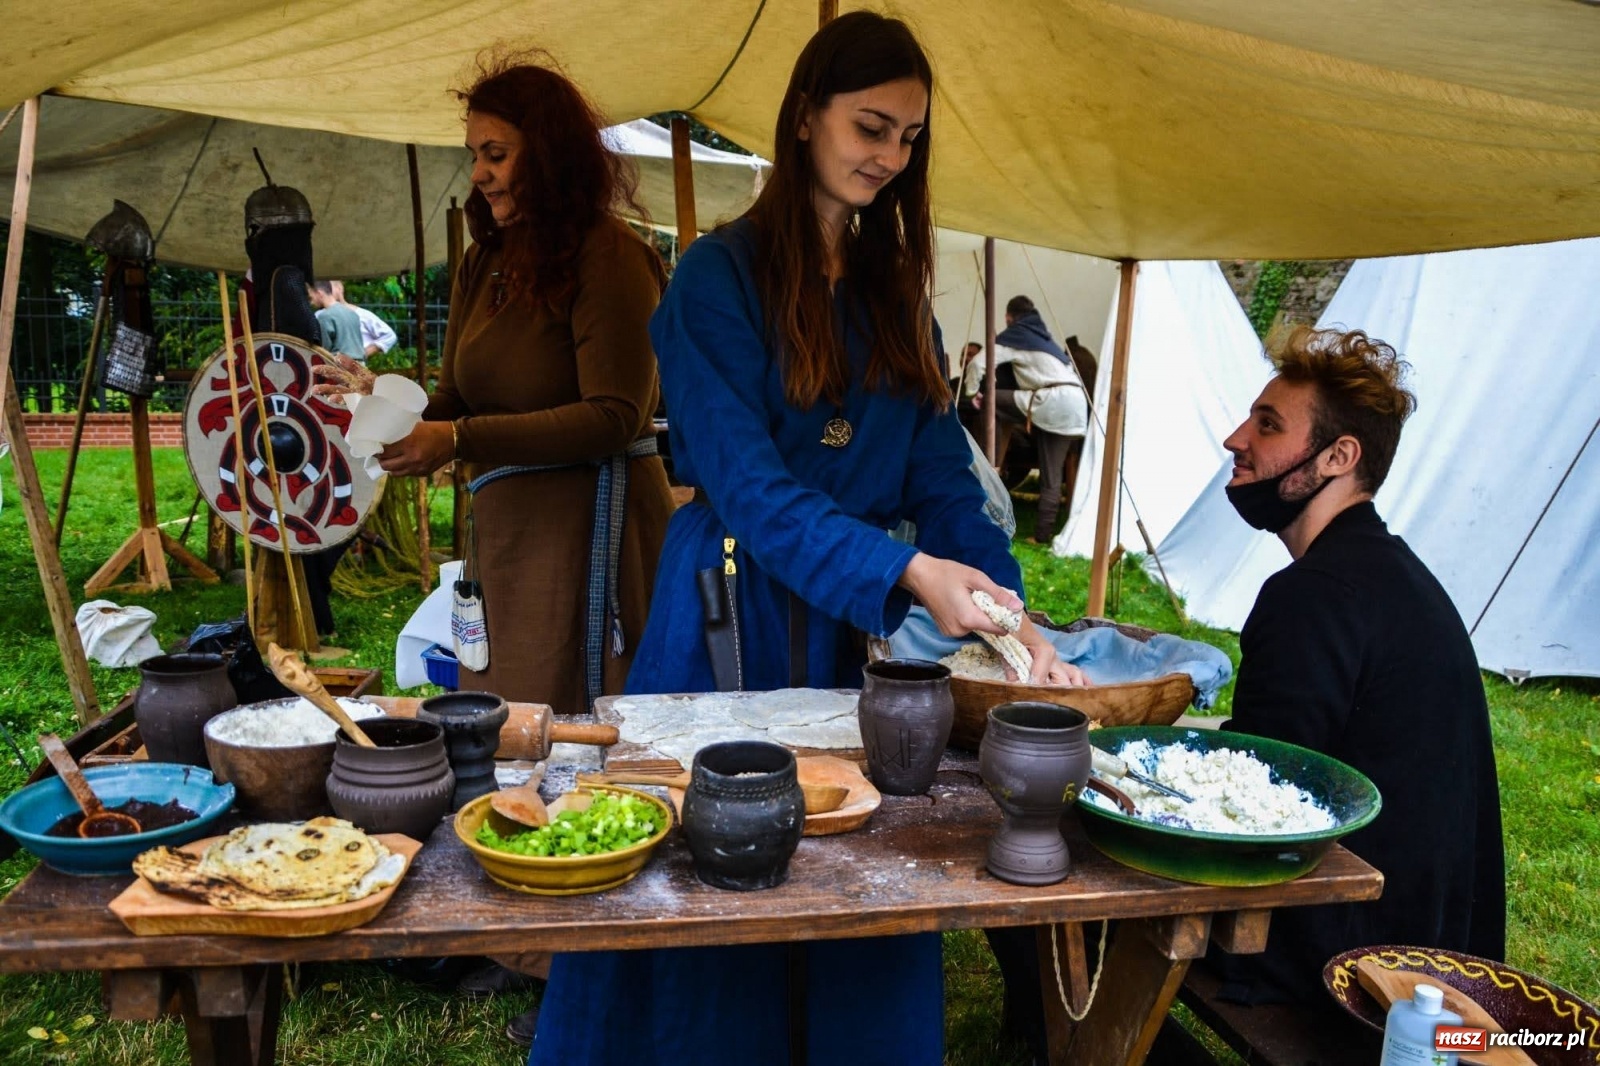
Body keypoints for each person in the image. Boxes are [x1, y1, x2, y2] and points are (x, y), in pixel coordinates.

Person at [530, 14, 1082, 1066]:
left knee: (869, 880)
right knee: (717, 883)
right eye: (870, 125)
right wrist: (904, 570)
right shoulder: (712, 282)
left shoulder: (892, 296)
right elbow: (746, 485)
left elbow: (941, 478)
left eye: (909, 138)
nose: (889, 156)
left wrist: (1007, 614)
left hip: (857, 637)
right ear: (802, 119)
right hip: (727, 619)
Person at [1206, 326, 1505, 1005]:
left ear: (1339, 455)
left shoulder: (1314, 596)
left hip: (1351, 961)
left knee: (1051, 882)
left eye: (1268, 424)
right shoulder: (1389, 574)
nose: (1236, 440)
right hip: (1432, 937)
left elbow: (1254, 806)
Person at [963, 295, 1087, 542]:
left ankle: (992, 465)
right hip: (1076, 404)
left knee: (991, 399)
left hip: (1051, 400)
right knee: (1053, 477)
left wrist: (970, 393)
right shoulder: (1046, 340)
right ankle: (1042, 536)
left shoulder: (1017, 336)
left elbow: (978, 364)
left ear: (1009, 318)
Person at [330, 279, 399, 357]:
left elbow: (389, 336)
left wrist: (364, 353)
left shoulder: (361, 314)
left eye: (329, 288)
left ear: (339, 288)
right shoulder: (319, 316)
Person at [308, 280, 366, 360]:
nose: (311, 303)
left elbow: (324, 349)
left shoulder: (325, 316)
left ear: (319, 293)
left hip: (340, 365)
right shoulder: (352, 313)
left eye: (311, 298)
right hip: (360, 365)